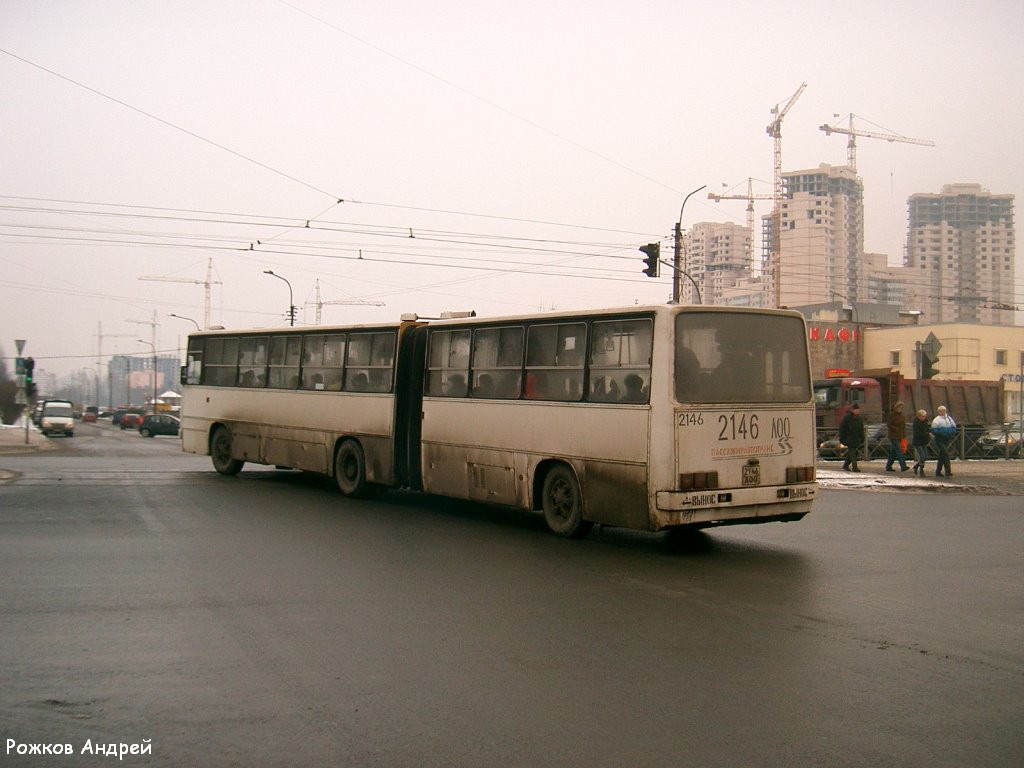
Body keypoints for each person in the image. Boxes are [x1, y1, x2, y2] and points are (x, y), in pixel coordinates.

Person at [930, 405, 957, 477]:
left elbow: (954, 427)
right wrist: (942, 433)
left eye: (944, 410)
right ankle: (948, 471)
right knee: (945, 454)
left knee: (942, 455)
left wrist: (950, 433)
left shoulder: (949, 418)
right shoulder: (936, 420)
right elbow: (933, 430)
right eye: (941, 411)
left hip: (947, 439)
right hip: (940, 439)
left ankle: (938, 471)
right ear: (939, 412)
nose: (943, 412)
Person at [838, 403, 865, 472]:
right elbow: (842, 429)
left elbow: (861, 429)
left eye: (858, 410)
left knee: (852, 453)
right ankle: (854, 467)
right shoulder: (847, 418)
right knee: (853, 453)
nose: (857, 411)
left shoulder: (859, 418)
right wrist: (842, 438)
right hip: (849, 438)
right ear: (852, 410)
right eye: (856, 410)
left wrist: (862, 437)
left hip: (856, 438)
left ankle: (845, 465)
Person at [885, 401, 910, 472]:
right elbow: (889, 424)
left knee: (893, 452)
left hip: (900, 435)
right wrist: (896, 429)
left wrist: (904, 435)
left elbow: (904, 426)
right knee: (899, 451)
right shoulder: (892, 415)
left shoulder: (902, 416)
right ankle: (903, 466)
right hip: (893, 436)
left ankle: (888, 466)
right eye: (899, 407)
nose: (900, 408)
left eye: (902, 407)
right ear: (896, 407)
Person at [911, 409, 931, 476]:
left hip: (924, 441)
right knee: (922, 456)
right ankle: (921, 471)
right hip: (918, 441)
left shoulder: (925, 422)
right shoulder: (916, 423)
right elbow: (917, 433)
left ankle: (916, 466)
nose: (923, 418)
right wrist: (927, 434)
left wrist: (928, 434)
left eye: (924, 416)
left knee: (925, 456)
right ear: (919, 416)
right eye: (922, 416)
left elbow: (927, 429)